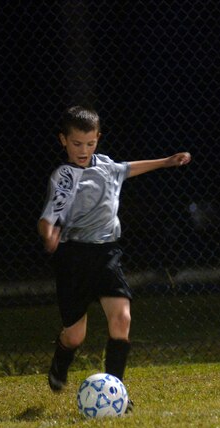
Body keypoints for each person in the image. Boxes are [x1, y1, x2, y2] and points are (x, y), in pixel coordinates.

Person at [38, 105, 191, 409]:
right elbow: (47, 218)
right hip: (74, 258)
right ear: (63, 141)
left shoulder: (107, 166)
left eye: (90, 143)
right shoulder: (65, 176)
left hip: (107, 253)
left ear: (98, 139)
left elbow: (128, 168)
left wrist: (166, 162)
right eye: (77, 143)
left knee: (121, 318)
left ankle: (116, 392)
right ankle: (60, 360)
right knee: (75, 336)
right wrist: (48, 234)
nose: (84, 150)